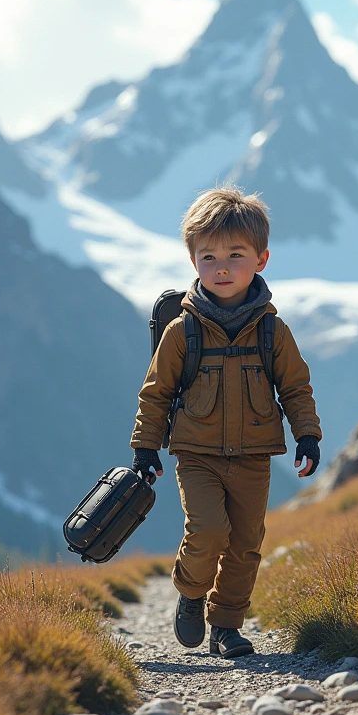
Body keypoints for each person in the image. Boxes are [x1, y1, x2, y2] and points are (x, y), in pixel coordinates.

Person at [130, 187, 322, 659]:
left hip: (255, 456)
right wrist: (145, 447)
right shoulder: (182, 331)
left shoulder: (273, 331)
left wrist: (308, 435)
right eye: (208, 255)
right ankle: (191, 592)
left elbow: (295, 387)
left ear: (261, 259)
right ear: (192, 260)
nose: (221, 266)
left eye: (235, 255)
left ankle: (226, 627)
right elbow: (156, 394)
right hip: (196, 455)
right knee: (208, 532)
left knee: (245, 546)